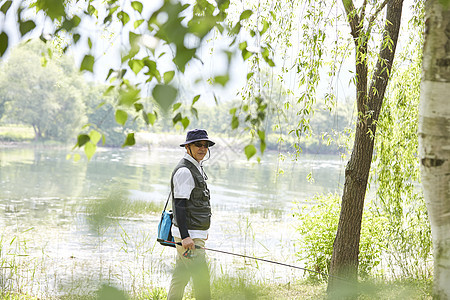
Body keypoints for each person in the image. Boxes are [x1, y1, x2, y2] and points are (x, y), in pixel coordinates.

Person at [167, 129, 214, 300]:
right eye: (198, 145)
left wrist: (201, 233)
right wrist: (187, 237)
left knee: (180, 277)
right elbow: (180, 206)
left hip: (193, 235)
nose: (203, 148)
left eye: (205, 145)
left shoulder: (195, 167)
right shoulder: (185, 171)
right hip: (188, 238)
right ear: (188, 147)